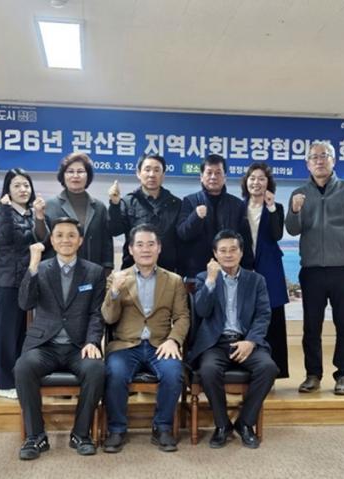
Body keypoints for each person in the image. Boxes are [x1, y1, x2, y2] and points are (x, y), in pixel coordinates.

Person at [14, 217, 106, 460]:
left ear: (80, 240)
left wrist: (92, 341)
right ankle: (36, 436)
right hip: (45, 345)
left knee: (96, 369)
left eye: (71, 235)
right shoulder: (41, 269)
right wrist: (33, 266)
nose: (66, 240)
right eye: (60, 235)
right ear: (52, 241)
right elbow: (25, 303)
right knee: (23, 367)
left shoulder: (94, 272)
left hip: (78, 346)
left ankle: (81, 434)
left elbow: (96, 313)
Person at [285, 140, 344, 396]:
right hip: (311, 271)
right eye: (314, 157)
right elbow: (292, 229)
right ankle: (313, 375)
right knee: (311, 328)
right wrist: (295, 210)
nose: (319, 161)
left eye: (324, 156)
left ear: (334, 160)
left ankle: (343, 374)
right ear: (307, 164)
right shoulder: (299, 193)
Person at [101, 224, 189, 453]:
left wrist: (174, 340)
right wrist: (115, 292)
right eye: (140, 245)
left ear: (159, 248)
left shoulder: (174, 280)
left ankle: (162, 427)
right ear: (131, 249)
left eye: (151, 244)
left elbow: (182, 317)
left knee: (173, 373)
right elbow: (109, 318)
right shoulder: (117, 278)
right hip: (125, 345)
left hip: (160, 345)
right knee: (115, 373)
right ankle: (117, 429)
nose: (146, 249)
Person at [187, 229, 278, 449]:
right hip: (216, 343)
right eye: (223, 250)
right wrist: (210, 281)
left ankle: (245, 423)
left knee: (268, 368)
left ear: (241, 252)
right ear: (215, 254)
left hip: (246, 341)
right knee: (208, 370)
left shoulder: (256, 280)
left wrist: (251, 342)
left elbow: (263, 315)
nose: (228, 254)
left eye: (233, 249)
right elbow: (201, 310)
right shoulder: (203, 278)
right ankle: (222, 425)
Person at [0, 168, 50, 399]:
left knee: (22, 334)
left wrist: (40, 216)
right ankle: (4, 382)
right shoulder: (3, 212)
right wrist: (5, 210)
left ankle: (19, 378)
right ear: (7, 190)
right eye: (16, 185)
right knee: (5, 334)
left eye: (26, 185)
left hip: (29, 281)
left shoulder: (31, 213)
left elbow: (45, 240)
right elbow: (3, 238)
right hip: (7, 281)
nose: (23, 190)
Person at [241, 163, 289, 379]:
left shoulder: (276, 207)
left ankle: (274, 372)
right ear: (246, 182)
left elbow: (277, 235)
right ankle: (245, 371)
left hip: (270, 268)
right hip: (244, 268)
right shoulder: (238, 207)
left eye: (261, 178)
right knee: (245, 316)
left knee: (273, 317)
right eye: (252, 178)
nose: (256, 182)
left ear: (268, 183)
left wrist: (270, 207)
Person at [176, 153, 254, 281]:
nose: (213, 177)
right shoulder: (190, 201)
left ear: (225, 177)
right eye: (209, 172)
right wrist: (196, 217)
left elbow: (245, 239)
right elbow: (182, 234)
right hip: (196, 274)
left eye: (218, 173)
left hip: (230, 273)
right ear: (201, 177)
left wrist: (248, 268)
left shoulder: (237, 204)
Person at [37, 152, 113, 275]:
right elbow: (43, 240)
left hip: (92, 271)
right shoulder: (50, 205)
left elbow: (107, 242)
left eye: (80, 171)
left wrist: (107, 268)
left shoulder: (99, 207)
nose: (75, 176)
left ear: (88, 176)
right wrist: (39, 217)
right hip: (58, 273)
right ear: (63, 176)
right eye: (70, 171)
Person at [107, 154, 182, 272]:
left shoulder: (175, 203)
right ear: (138, 173)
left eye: (156, 170)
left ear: (163, 175)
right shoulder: (128, 202)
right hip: (133, 270)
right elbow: (114, 230)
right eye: (147, 170)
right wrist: (115, 204)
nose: (152, 174)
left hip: (167, 271)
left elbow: (181, 237)